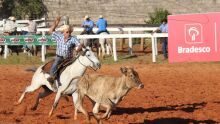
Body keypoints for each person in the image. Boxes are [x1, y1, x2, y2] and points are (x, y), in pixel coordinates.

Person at [47, 16, 84, 87]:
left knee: (78, 66)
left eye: (70, 32)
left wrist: (78, 48)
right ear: (63, 32)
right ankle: (52, 78)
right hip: (60, 57)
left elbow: (79, 45)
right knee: (55, 64)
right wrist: (56, 22)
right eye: (67, 32)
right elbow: (50, 31)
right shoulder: (59, 36)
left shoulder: (73, 38)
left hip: (69, 58)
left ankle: (78, 80)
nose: (69, 33)